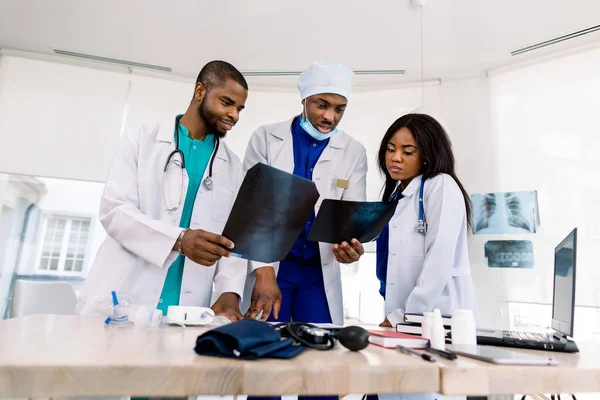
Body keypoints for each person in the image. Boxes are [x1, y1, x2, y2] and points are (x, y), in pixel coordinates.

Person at [76, 60, 250, 322]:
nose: (234, 115)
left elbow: (233, 239)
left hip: (188, 305)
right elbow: (115, 210)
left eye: (239, 108)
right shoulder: (140, 140)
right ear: (200, 91)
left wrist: (229, 291)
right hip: (124, 294)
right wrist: (179, 240)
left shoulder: (233, 167)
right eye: (226, 103)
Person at [241, 61, 368, 330]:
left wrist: (351, 248)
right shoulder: (266, 137)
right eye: (321, 105)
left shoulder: (353, 151)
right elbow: (250, 210)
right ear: (304, 99)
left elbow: (352, 215)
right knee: (265, 343)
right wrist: (263, 271)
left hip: (318, 273)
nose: (329, 117)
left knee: (320, 352)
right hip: (273, 268)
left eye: (339, 109)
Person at [367, 113, 477, 400]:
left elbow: (438, 260)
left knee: (426, 392)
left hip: (433, 316)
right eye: (390, 149)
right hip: (405, 317)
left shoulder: (440, 185)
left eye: (407, 151)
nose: (395, 158)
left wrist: (403, 317)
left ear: (427, 154)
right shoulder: (399, 196)